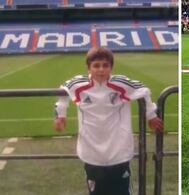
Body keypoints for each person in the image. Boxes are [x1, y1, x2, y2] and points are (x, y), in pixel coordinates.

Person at [53, 47, 163, 195]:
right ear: (89, 67)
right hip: (91, 151)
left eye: (105, 65)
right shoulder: (78, 84)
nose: (101, 70)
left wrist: (151, 115)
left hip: (118, 151)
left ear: (111, 67)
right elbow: (63, 91)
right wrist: (60, 115)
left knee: (122, 191)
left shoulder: (121, 83)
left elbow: (144, 90)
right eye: (96, 65)